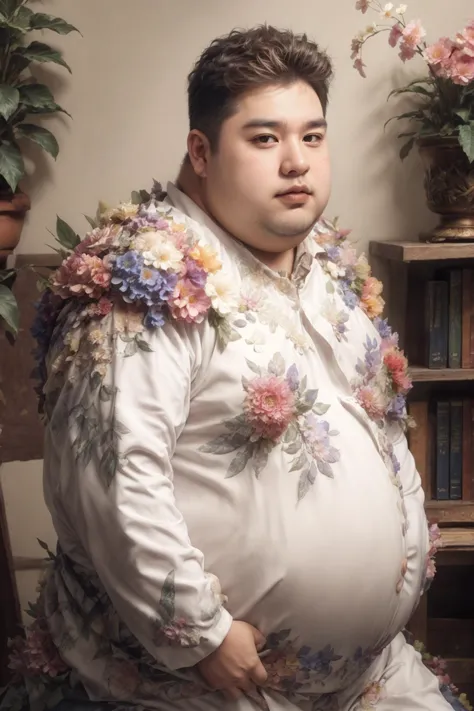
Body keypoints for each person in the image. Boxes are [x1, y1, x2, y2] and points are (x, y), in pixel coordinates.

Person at [4, 24, 464, 711]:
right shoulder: (145, 280)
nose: (297, 162)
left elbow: (386, 431)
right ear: (202, 150)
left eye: (312, 136)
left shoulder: (328, 271)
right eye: (265, 138)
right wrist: (204, 634)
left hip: (369, 677)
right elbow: (112, 477)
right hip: (198, 685)